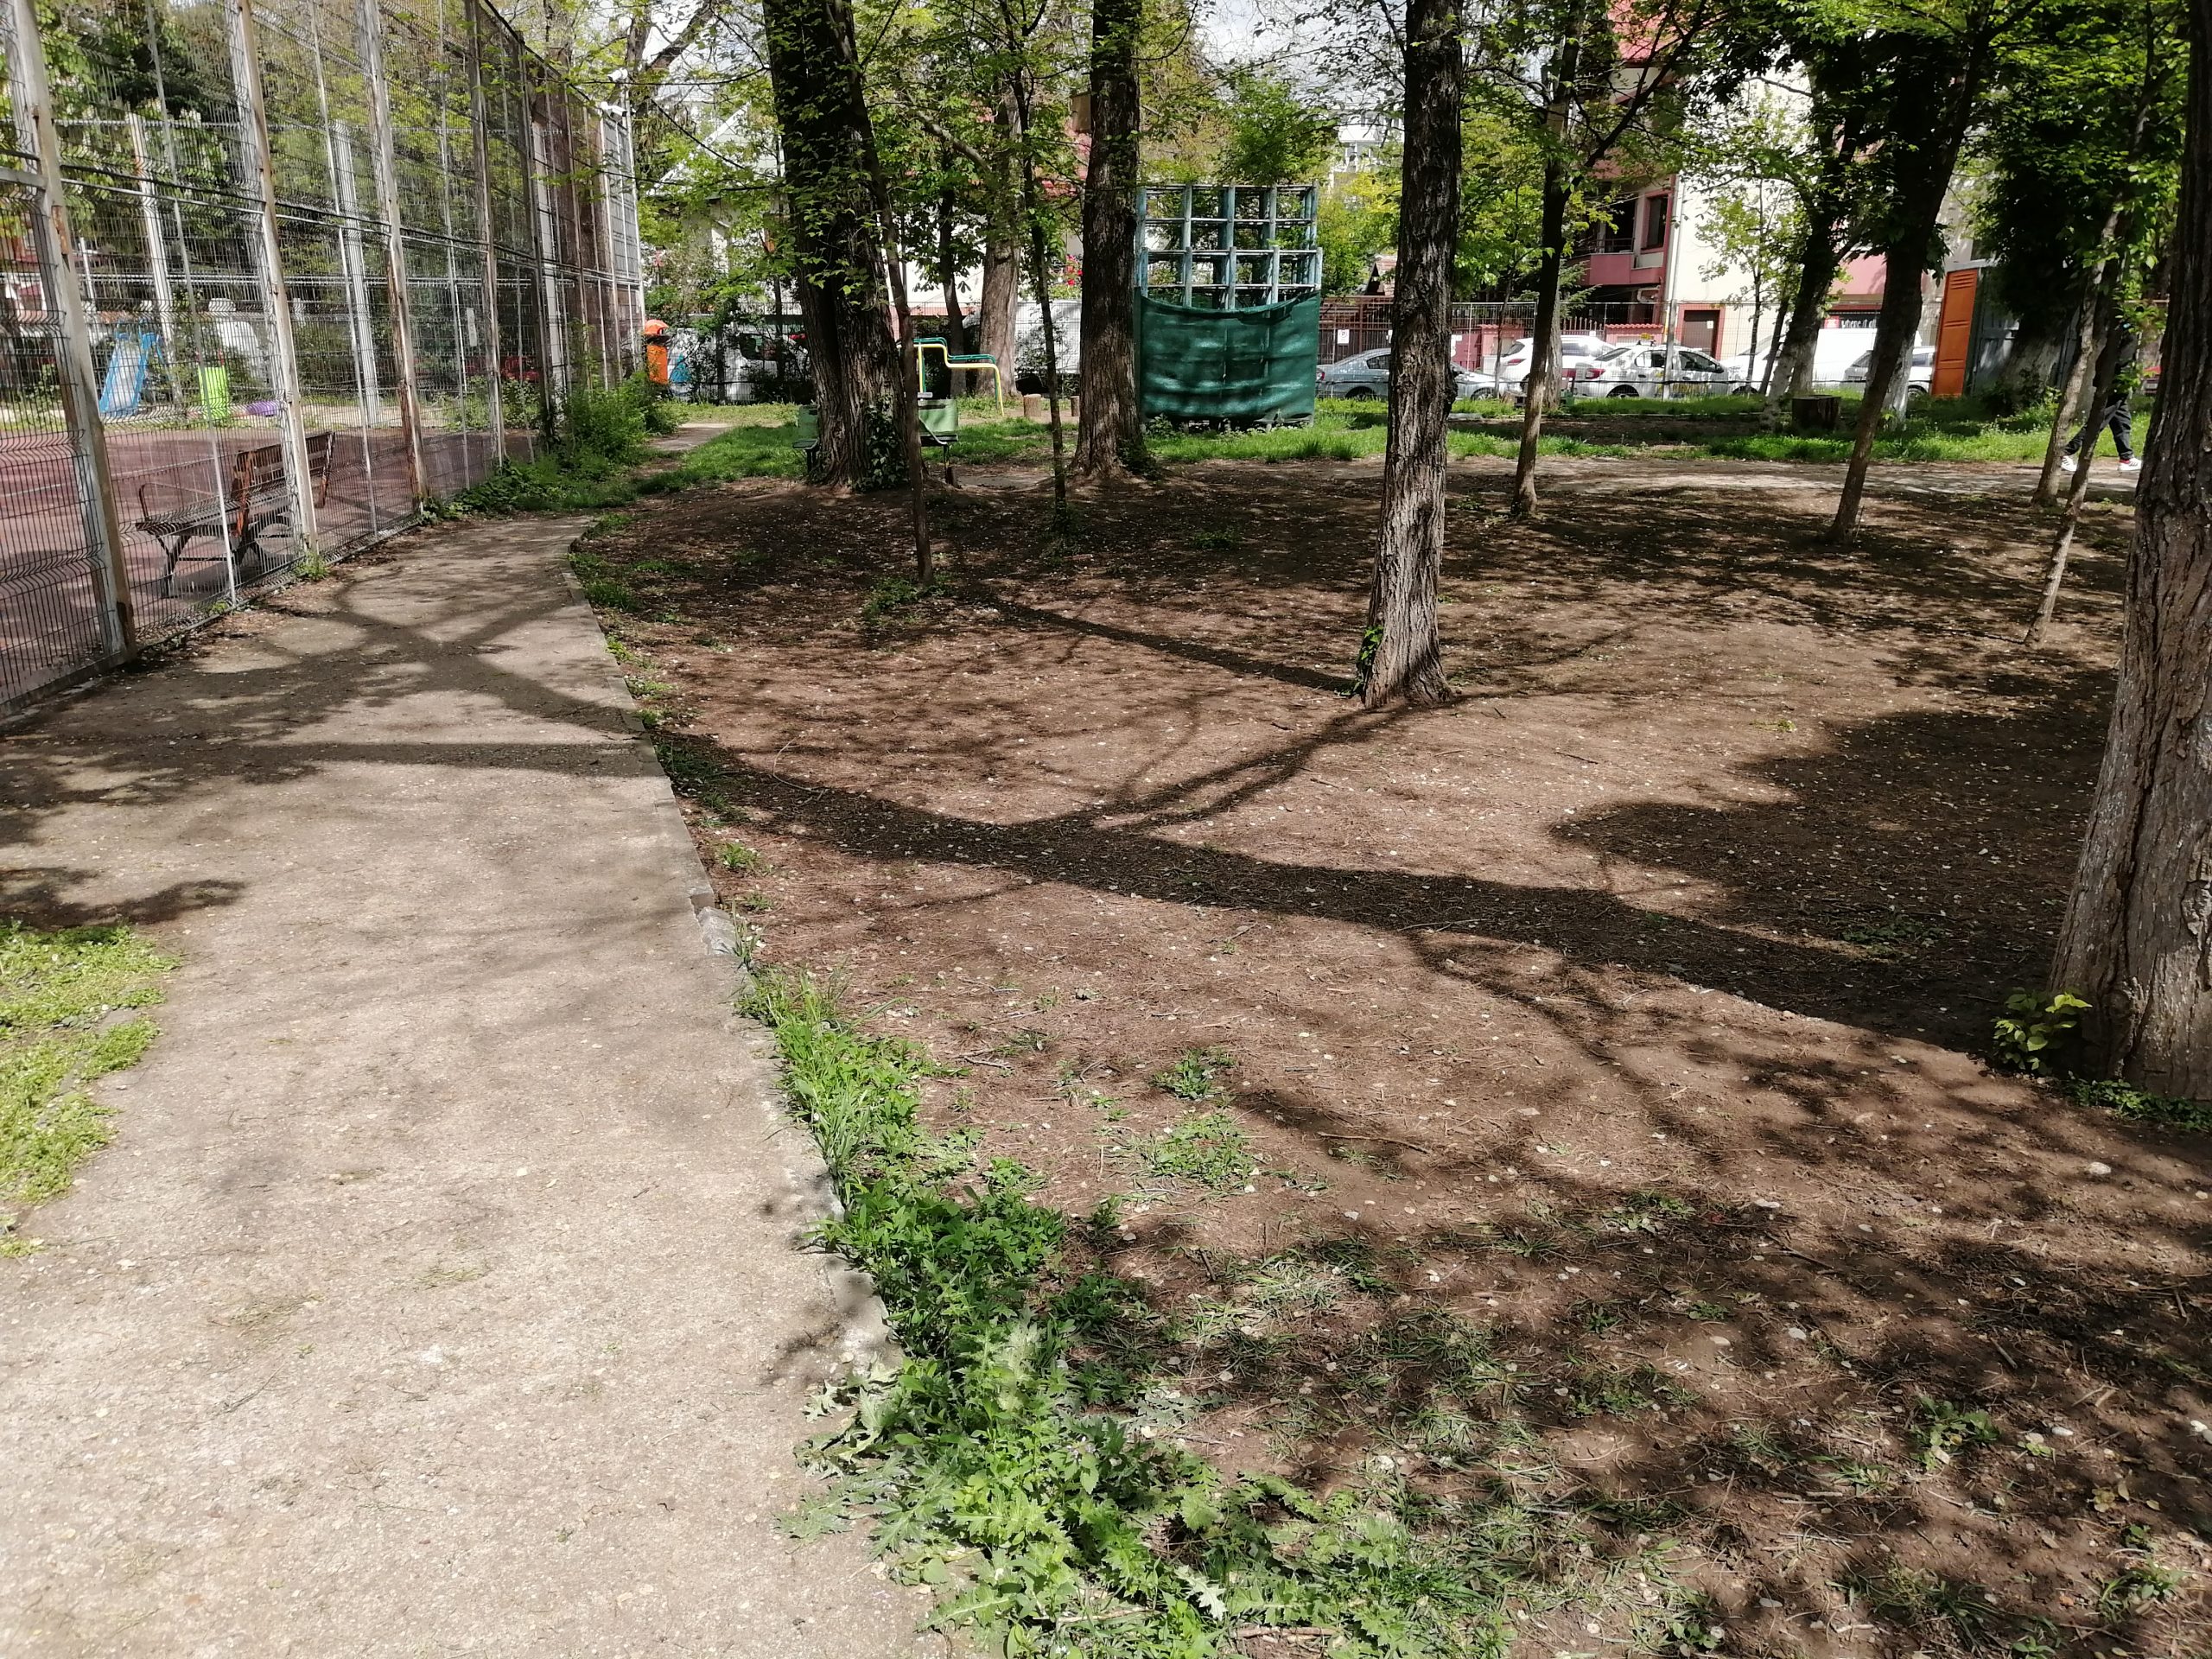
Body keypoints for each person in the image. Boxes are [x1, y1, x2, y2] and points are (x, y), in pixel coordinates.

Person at [2060, 321, 2141, 474]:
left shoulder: (2119, 331)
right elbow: (2122, 361)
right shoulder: (2130, 335)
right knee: (2098, 421)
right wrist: (2124, 380)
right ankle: (2066, 452)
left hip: (2112, 382)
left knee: (2122, 422)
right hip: (2116, 384)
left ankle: (2126, 458)